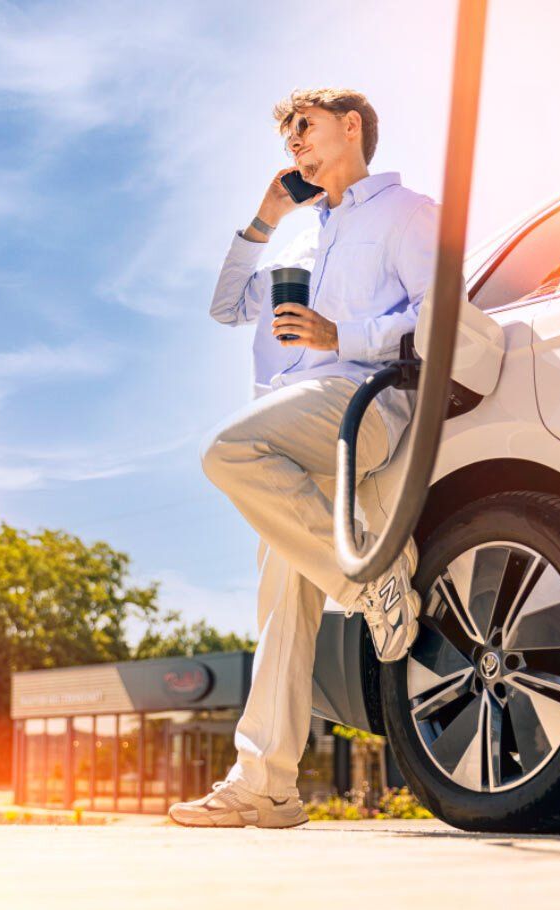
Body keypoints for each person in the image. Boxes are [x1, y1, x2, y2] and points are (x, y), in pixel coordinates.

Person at [168, 87, 439, 829]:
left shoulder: (406, 212)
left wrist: (339, 336)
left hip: (360, 406)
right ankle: (266, 785)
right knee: (281, 614)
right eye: (286, 135)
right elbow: (226, 306)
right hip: (290, 435)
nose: (293, 142)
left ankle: (369, 576)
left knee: (225, 450)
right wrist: (265, 218)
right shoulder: (298, 244)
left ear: (350, 127)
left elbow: (439, 315)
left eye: (304, 127)